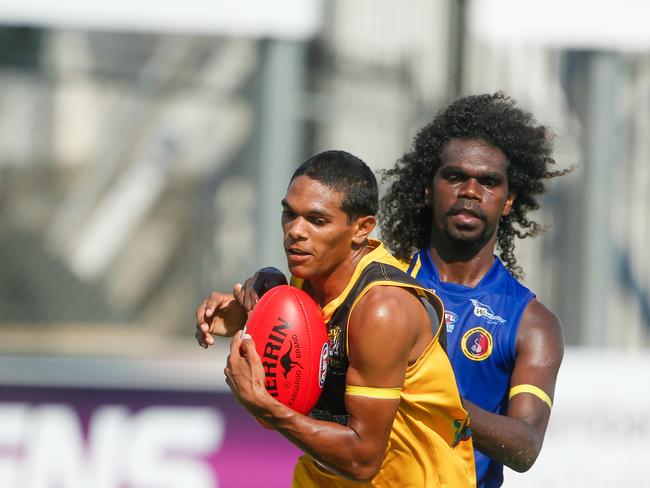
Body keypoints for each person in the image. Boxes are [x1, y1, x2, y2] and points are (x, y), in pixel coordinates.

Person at [195, 150, 475, 487]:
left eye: (316, 220)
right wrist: (250, 318)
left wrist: (263, 404)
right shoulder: (305, 279)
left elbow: (362, 459)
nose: (295, 231)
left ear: (362, 228)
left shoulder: (383, 309)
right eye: (289, 214)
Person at [379, 92, 568, 487]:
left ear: (508, 200)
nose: (470, 190)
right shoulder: (381, 283)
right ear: (428, 189)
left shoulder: (531, 323)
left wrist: (436, 397)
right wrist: (268, 286)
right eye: (454, 176)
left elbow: (526, 445)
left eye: (488, 181)